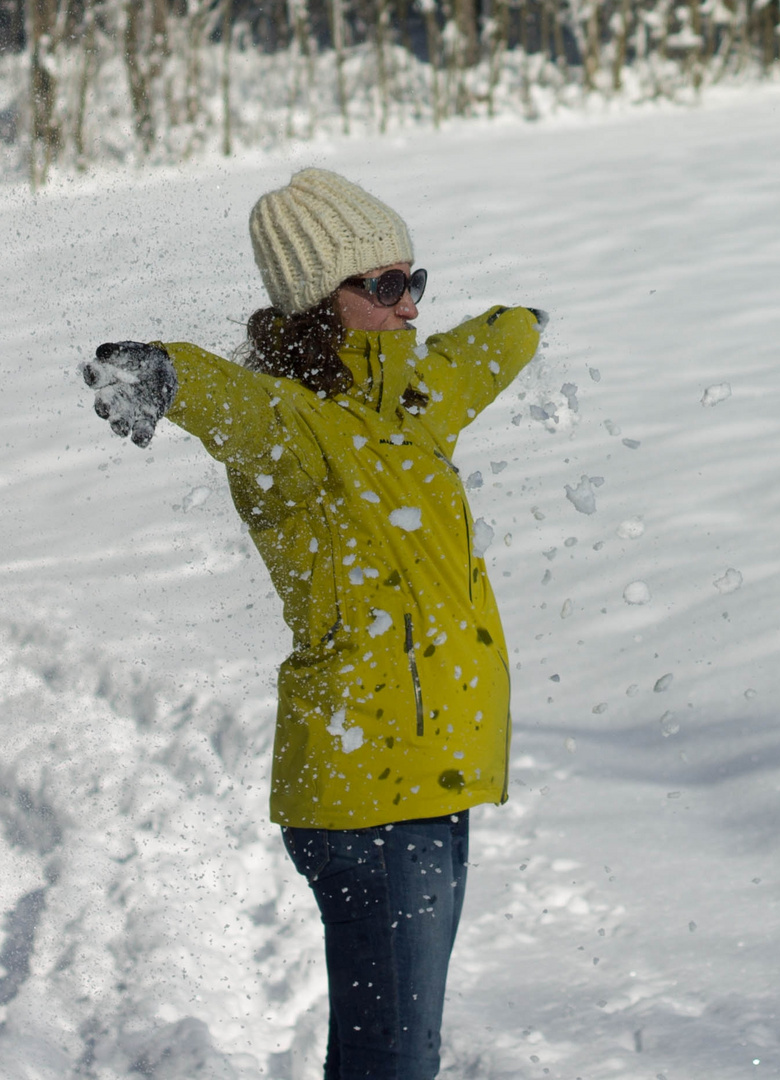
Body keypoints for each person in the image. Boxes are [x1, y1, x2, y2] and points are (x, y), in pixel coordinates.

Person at [81, 168, 545, 1080]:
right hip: (368, 795)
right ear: (315, 304)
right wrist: (164, 373)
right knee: (391, 1062)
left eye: (417, 281)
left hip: (430, 781)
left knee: (401, 1052)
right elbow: (231, 405)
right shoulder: (295, 434)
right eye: (383, 286)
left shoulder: (411, 407)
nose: (409, 305)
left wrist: (526, 326)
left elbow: (474, 354)